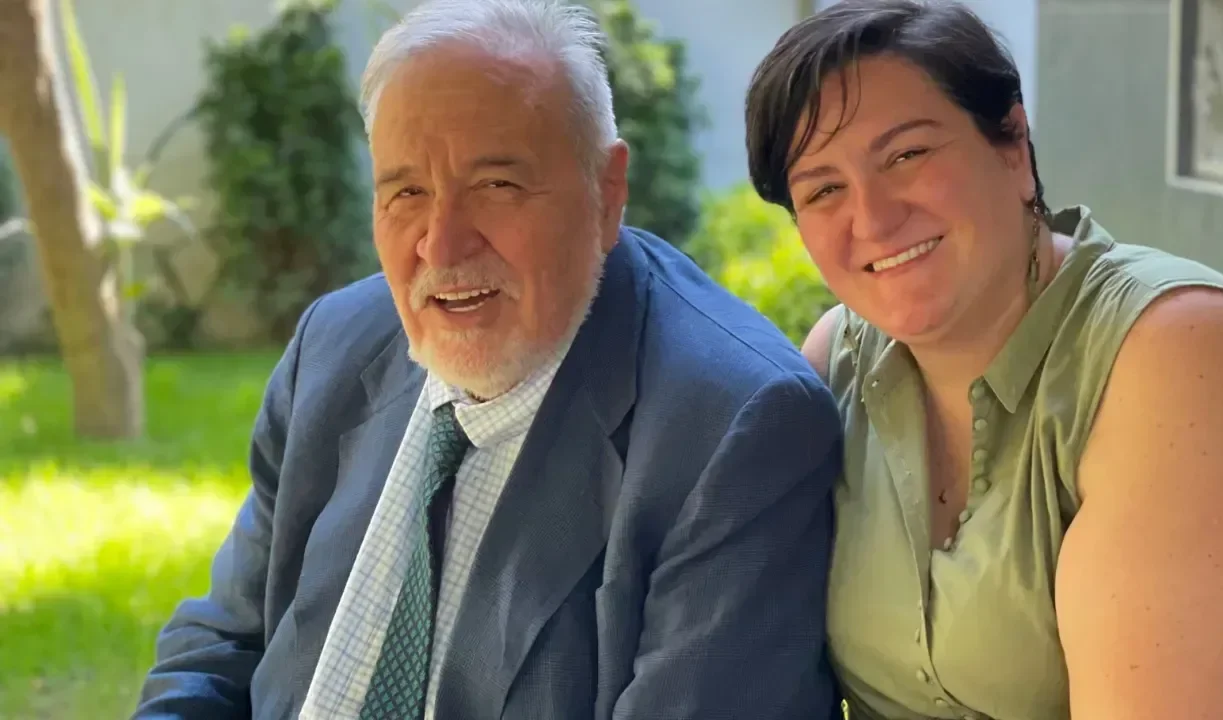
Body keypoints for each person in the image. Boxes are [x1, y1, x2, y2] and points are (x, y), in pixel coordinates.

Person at [131, 1, 846, 718]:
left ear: (606, 192)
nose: (441, 245)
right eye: (407, 192)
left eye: (496, 186)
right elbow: (223, 642)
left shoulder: (734, 428)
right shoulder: (335, 344)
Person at [743, 1, 1223, 719]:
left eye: (907, 155)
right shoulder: (836, 361)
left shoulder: (1176, 353)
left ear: (1014, 148)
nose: (872, 218)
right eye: (825, 189)